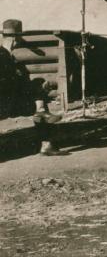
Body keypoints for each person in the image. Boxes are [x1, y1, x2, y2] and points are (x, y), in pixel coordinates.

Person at [0, 19, 62, 155]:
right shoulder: (4, 55)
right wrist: (35, 87)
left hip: (6, 100)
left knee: (36, 90)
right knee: (38, 95)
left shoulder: (5, 54)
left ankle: (40, 109)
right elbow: (12, 84)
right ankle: (47, 144)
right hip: (6, 103)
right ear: (15, 39)